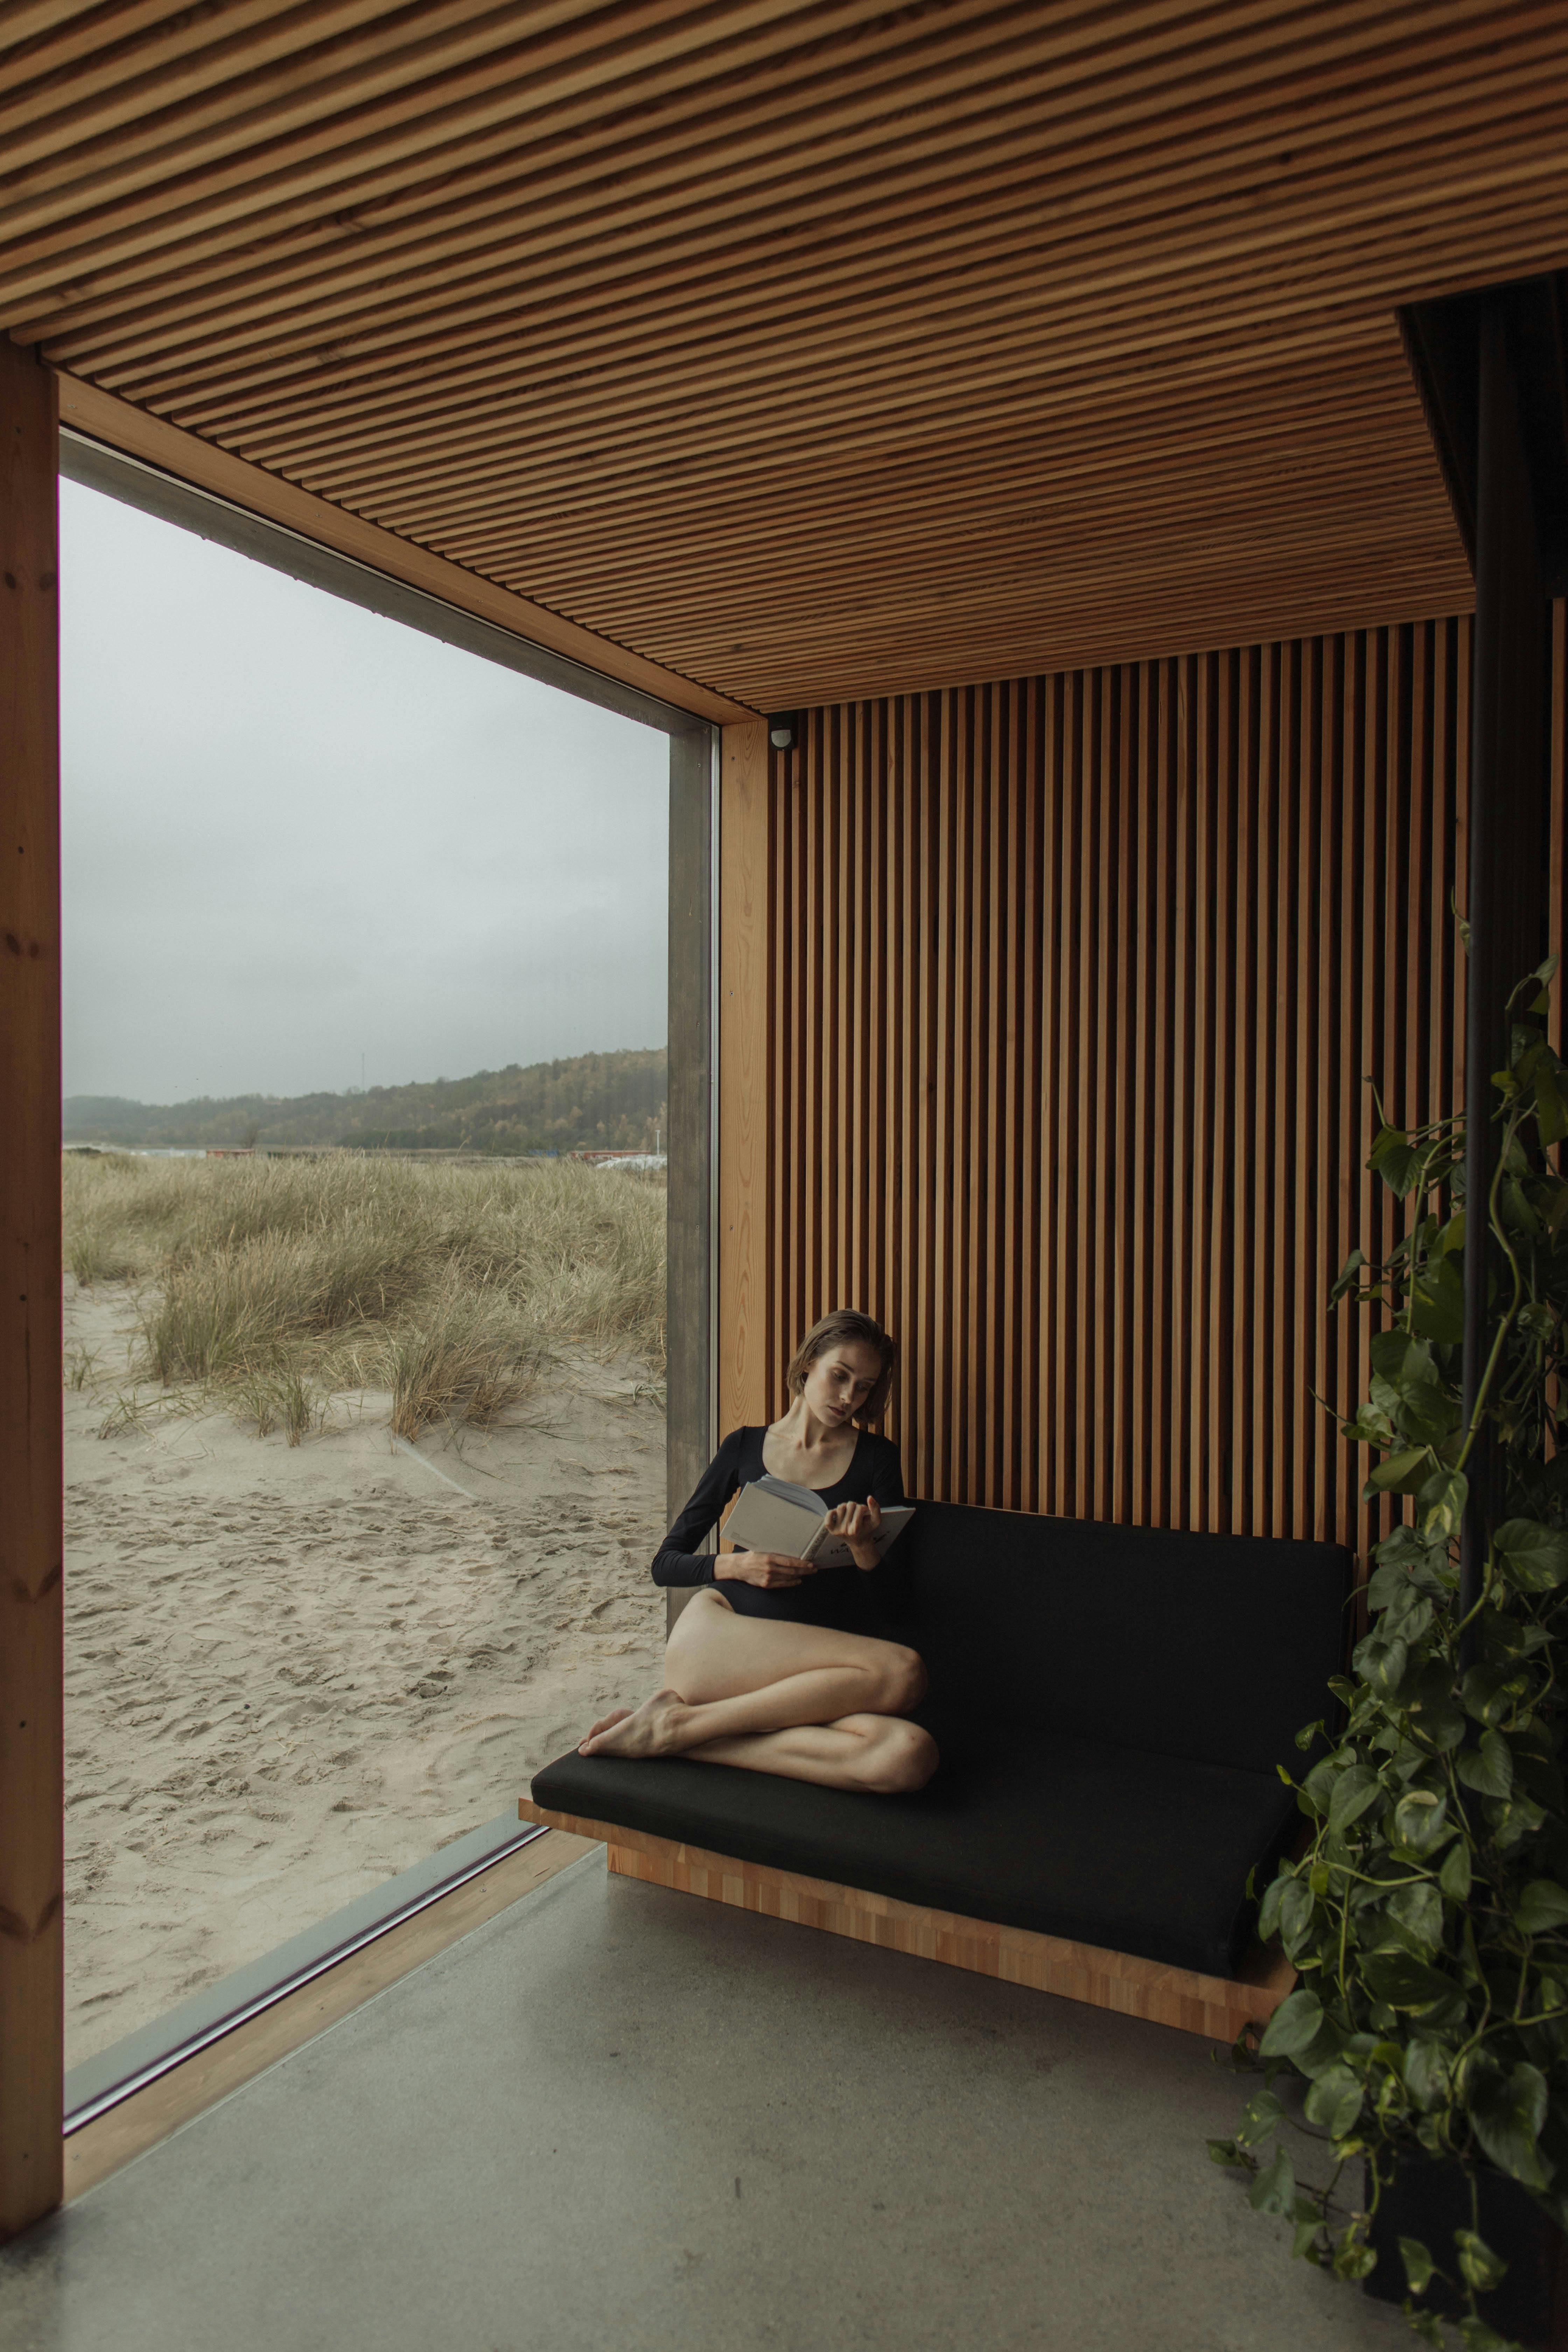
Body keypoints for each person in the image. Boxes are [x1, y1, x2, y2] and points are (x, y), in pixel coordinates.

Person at [576, 1309, 937, 1795]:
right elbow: (666, 1564)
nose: (850, 1397)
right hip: (719, 1642)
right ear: (809, 1363)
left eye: (865, 1387)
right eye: (840, 1376)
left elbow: (897, 1608)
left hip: (814, 1679)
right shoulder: (743, 1447)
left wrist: (862, 1548)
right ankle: (681, 1727)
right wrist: (736, 1563)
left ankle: (684, 1732)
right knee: (905, 1671)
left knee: (908, 1756)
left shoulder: (878, 1460)